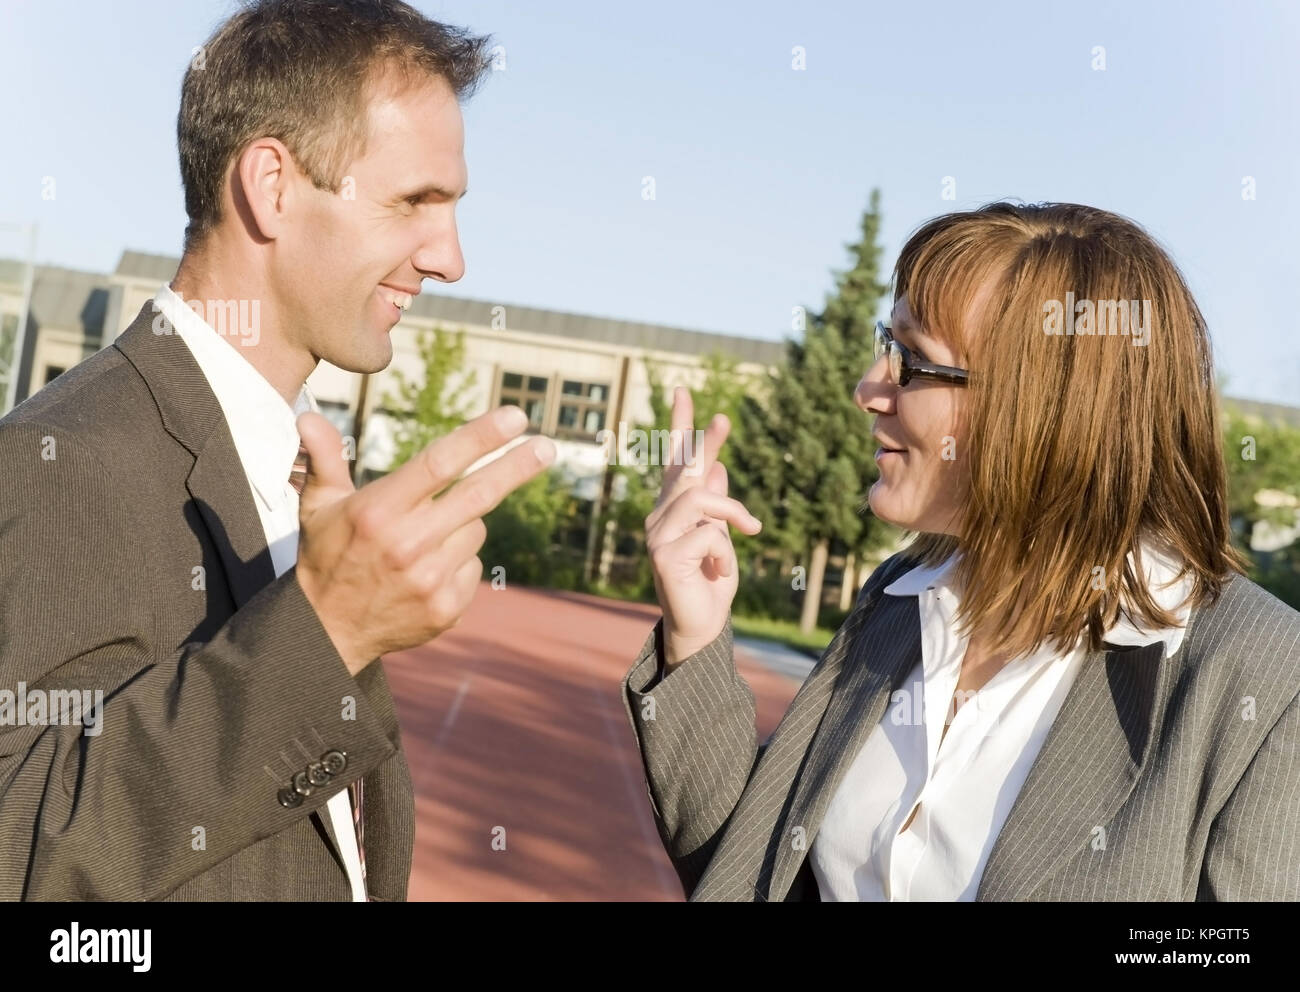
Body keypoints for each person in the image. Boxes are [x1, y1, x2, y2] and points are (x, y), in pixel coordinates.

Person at [0, 0, 555, 901]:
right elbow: (19, 848)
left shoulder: (296, 469)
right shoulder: (64, 457)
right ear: (271, 186)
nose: (451, 257)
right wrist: (327, 630)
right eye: (417, 200)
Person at [623, 200, 1300, 901]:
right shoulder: (899, 599)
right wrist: (694, 634)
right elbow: (753, 871)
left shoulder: (1266, 683)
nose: (869, 389)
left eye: (911, 362)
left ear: (1041, 406)